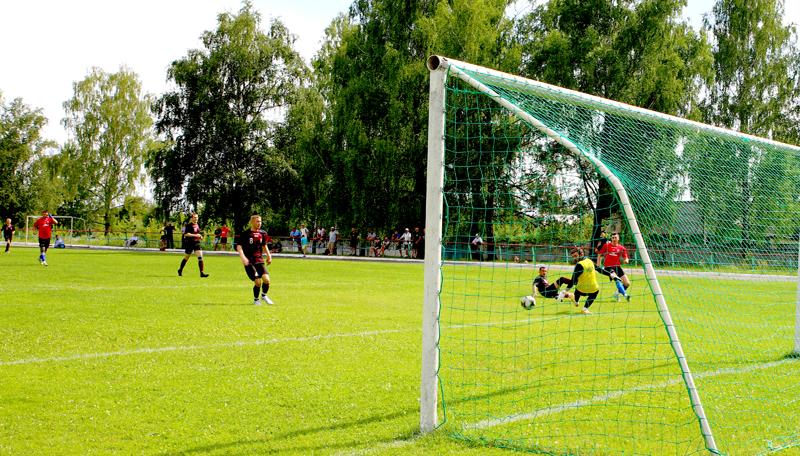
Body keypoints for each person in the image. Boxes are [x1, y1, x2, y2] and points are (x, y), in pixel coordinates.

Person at [563, 246, 616, 314]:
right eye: (573, 257)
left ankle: (575, 300)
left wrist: (565, 291)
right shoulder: (589, 260)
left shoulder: (579, 265)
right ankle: (585, 309)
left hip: (581, 290)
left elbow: (573, 281)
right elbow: (599, 269)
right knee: (596, 291)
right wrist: (610, 274)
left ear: (581, 254)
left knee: (577, 289)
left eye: (575, 256)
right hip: (593, 289)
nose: (574, 258)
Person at [236, 214, 274, 305]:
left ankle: (264, 295)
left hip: (259, 260)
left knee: (266, 280)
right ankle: (256, 300)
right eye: (257, 221)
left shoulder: (263, 233)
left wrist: (269, 256)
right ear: (252, 222)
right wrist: (243, 257)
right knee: (257, 282)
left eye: (260, 221)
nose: (259, 223)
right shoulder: (245, 234)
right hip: (249, 261)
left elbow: (264, 245)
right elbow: (239, 246)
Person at [597, 232, 632, 301]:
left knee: (627, 284)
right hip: (608, 267)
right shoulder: (606, 246)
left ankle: (616, 294)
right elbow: (599, 254)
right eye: (612, 238)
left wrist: (626, 260)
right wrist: (598, 265)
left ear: (618, 238)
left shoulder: (621, 248)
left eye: (615, 237)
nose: (614, 239)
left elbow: (626, 257)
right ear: (611, 238)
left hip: (617, 267)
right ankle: (625, 295)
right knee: (617, 279)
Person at [177, 212, 209, 278]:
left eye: (197, 217)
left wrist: (200, 236)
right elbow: (186, 234)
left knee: (200, 257)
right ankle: (180, 270)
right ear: (192, 218)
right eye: (195, 217)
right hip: (190, 243)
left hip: (197, 243)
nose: (196, 219)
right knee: (186, 258)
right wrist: (196, 235)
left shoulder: (197, 225)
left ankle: (202, 273)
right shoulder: (188, 225)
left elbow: (197, 233)